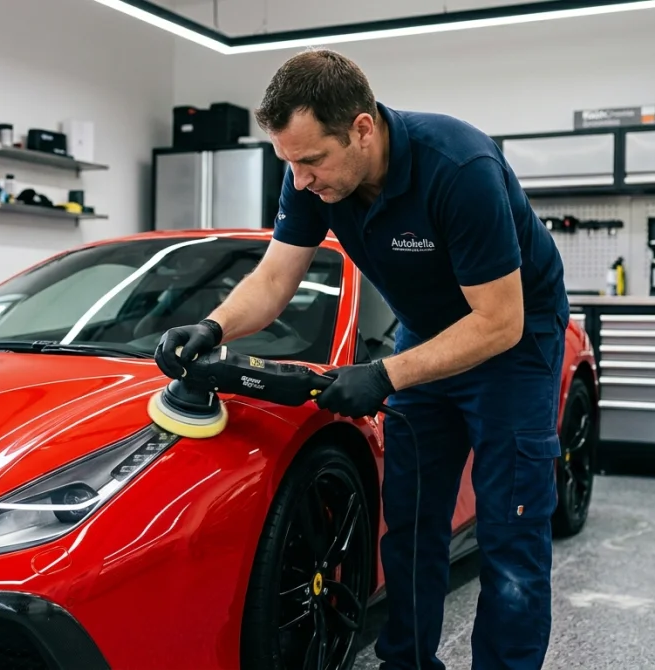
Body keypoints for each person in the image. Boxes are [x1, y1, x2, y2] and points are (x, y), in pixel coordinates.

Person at [154, 48, 568, 670]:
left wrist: (381, 375)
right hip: (429, 331)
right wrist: (212, 327)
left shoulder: (460, 167)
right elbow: (273, 280)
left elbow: (499, 321)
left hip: (514, 340)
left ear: (362, 128)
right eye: (286, 161)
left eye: (310, 160)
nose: (298, 179)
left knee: (511, 536)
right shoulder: (312, 173)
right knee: (410, 526)